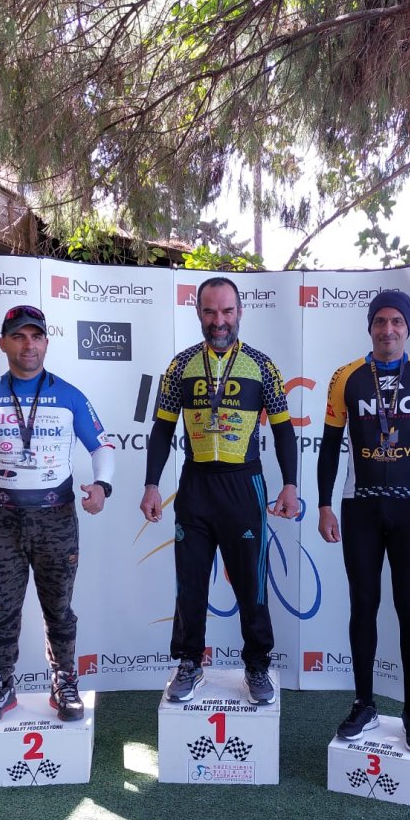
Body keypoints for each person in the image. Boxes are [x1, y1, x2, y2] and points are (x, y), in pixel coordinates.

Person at [0, 304, 115, 725]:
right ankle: (1, 683)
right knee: (2, 610)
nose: (28, 345)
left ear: (46, 343)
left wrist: (102, 485)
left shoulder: (69, 395)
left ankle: (64, 681)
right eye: (18, 336)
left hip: (56, 519)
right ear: (2, 343)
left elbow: (102, 446)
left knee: (59, 608)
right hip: (2, 522)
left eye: (36, 336)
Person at [140, 276, 298, 704]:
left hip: (244, 485)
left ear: (240, 312)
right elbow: (161, 430)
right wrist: (152, 484)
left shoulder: (262, 366)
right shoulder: (181, 366)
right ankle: (189, 662)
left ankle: (257, 665)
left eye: (227, 311)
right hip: (195, 486)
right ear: (198, 313)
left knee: (251, 584)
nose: (219, 320)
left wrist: (290, 484)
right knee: (190, 582)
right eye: (210, 311)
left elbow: (284, 431)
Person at [317, 289, 410, 750]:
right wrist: (324, 504)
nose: (388, 329)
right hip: (359, 506)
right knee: (363, 605)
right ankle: (363, 703)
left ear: (408, 328)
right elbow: (329, 446)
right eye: (380, 321)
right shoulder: (347, 377)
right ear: (370, 327)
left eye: (397, 321)